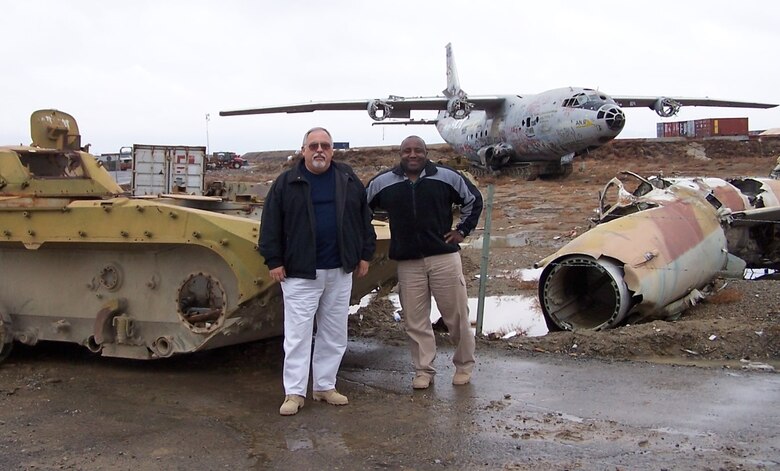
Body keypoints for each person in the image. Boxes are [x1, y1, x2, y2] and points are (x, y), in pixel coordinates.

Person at [259, 127, 376, 415]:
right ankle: (295, 393)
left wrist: (364, 254)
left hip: (339, 270)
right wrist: (274, 259)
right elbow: (271, 223)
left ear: (332, 150)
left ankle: (325, 386)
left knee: (334, 333)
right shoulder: (287, 182)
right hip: (301, 273)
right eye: (313, 146)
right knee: (298, 335)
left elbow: (364, 218)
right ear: (303, 151)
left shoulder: (347, 178)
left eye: (325, 145)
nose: (319, 150)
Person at [366, 135, 483, 389]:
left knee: (457, 316)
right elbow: (359, 208)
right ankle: (423, 371)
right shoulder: (383, 183)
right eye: (407, 150)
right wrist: (367, 238)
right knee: (415, 320)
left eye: (418, 150)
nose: (412, 155)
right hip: (408, 263)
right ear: (400, 153)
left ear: (425, 152)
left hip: (444, 258)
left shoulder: (446, 176)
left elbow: (473, 200)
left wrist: (462, 231)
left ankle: (464, 366)